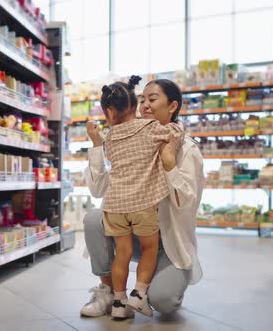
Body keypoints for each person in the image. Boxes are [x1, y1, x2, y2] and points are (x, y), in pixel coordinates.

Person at [80, 79, 204, 318]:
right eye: (142, 99)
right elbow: (98, 190)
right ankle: (109, 292)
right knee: (94, 220)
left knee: (163, 301)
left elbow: (187, 204)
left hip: (168, 241)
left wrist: (169, 163)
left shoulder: (185, 149)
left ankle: (152, 286)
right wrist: (97, 146)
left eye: (153, 99)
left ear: (172, 107)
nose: (145, 105)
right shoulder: (128, 138)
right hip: (133, 230)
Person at [97, 75, 184, 320]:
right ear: (136, 105)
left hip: (114, 205)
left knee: (121, 254)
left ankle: (118, 301)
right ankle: (139, 293)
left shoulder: (109, 137)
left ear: (110, 113)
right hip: (142, 204)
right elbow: (173, 133)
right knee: (148, 249)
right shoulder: (150, 128)